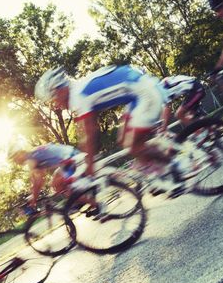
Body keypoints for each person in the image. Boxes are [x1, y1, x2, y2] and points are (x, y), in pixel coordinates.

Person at [34, 65, 186, 196]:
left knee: (133, 145)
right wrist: (86, 157)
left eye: (53, 99)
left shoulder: (78, 97)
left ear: (59, 90)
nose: (55, 105)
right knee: (123, 140)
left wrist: (90, 163)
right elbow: (84, 133)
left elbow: (91, 132)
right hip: (136, 94)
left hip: (144, 93)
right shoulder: (78, 90)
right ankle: (164, 166)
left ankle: (174, 166)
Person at [8, 143, 93, 209]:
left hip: (71, 159)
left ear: (20, 153)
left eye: (14, 158)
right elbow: (37, 179)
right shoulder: (33, 154)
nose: (15, 162)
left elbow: (39, 181)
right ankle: (81, 201)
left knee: (58, 185)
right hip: (70, 157)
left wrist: (34, 199)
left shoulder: (31, 159)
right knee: (55, 184)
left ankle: (96, 204)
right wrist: (33, 194)